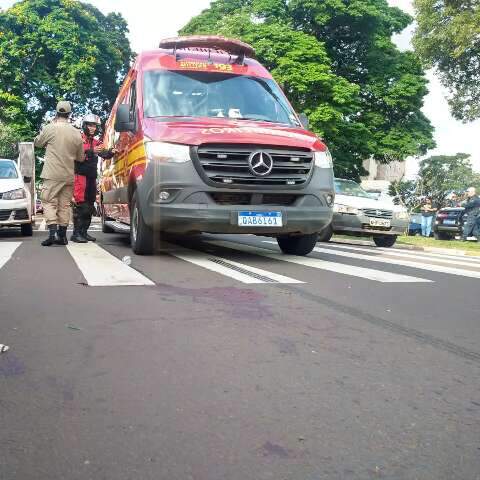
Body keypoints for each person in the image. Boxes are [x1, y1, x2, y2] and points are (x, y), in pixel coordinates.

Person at [34, 101, 84, 246]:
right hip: (68, 174)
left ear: (56, 113)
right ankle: (62, 236)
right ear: (69, 114)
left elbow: (37, 142)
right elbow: (80, 157)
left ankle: (51, 234)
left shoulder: (50, 128)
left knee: (48, 201)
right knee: (64, 205)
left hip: (52, 174)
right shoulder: (76, 133)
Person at [71, 114, 114, 243]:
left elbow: (104, 153)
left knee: (90, 205)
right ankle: (76, 233)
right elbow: (75, 154)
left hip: (91, 177)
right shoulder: (78, 139)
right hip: (80, 176)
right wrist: (92, 151)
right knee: (81, 205)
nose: (92, 128)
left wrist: (112, 151)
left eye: (94, 126)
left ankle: (84, 232)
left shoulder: (95, 141)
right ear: (84, 126)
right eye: (90, 125)